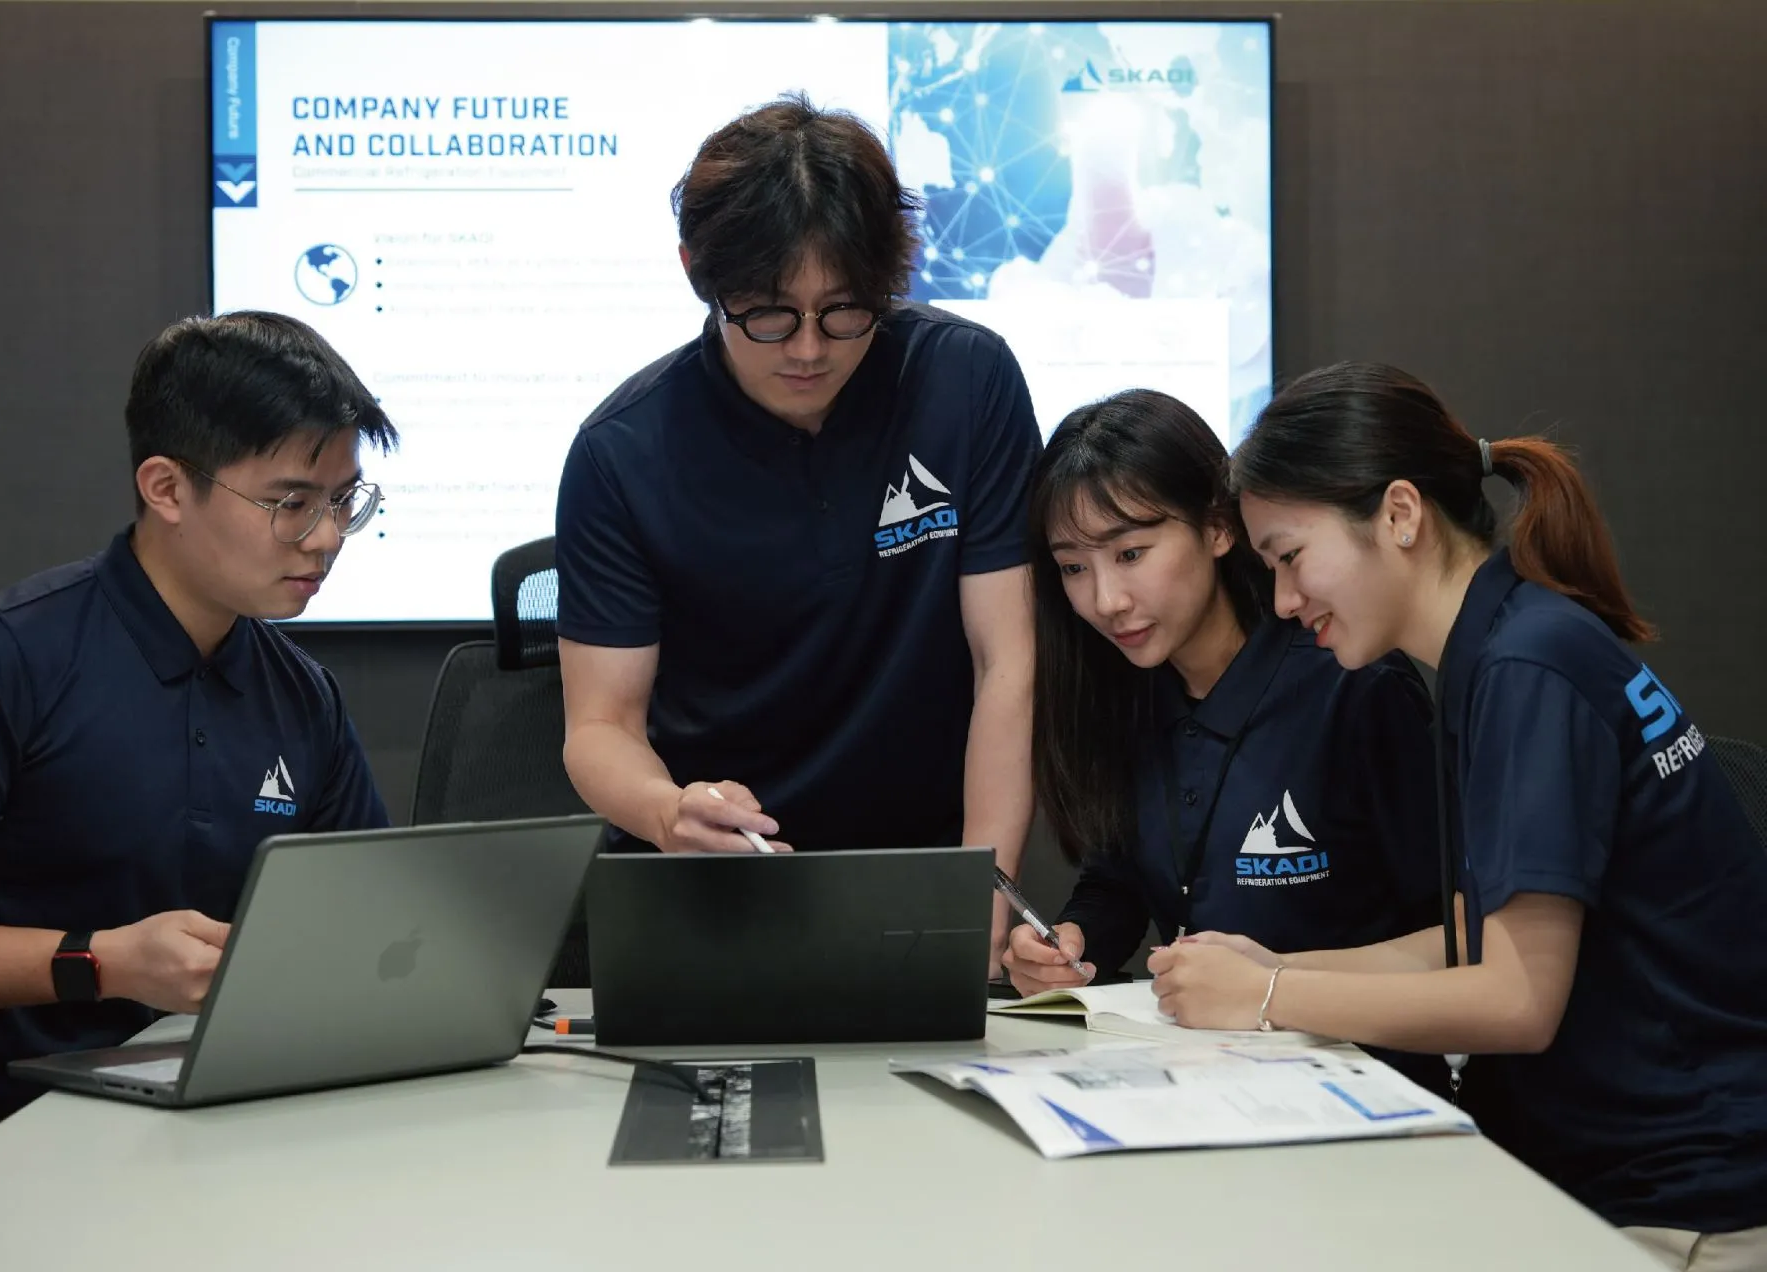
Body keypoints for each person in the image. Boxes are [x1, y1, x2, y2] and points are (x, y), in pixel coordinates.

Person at [1151, 362, 1767, 1264]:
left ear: (1400, 515)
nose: (1284, 601)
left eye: (1289, 557)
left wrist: (1270, 997)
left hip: (1677, 1197)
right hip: (1608, 1169)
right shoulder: (1502, 646)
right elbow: (1477, 933)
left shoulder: (1526, 668)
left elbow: (1517, 999)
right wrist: (1274, 965)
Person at [0, 311, 397, 1215]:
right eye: (291, 503)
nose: (327, 537)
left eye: (346, 501)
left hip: (194, 1149)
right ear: (167, 487)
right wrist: (95, 962)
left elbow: (368, 925)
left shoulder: (301, 696)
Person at [555, 94, 1040, 969]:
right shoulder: (622, 452)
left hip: (919, 872)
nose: (809, 349)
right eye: (770, 314)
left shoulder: (966, 383)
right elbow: (599, 724)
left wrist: (983, 889)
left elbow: (1003, 663)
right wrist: (671, 812)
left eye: (845, 311)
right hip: (716, 890)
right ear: (697, 272)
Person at [1002, 391, 1442, 1090]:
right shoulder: (1121, 688)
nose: (1106, 599)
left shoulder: (1352, 684)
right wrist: (1069, 946)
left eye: (1132, 552)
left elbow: (1458, 937)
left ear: (1217, 527)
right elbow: (1118, 881)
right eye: (1074, 567)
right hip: (1203, 1081)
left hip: (1365, 1084)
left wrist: (1276, 983)